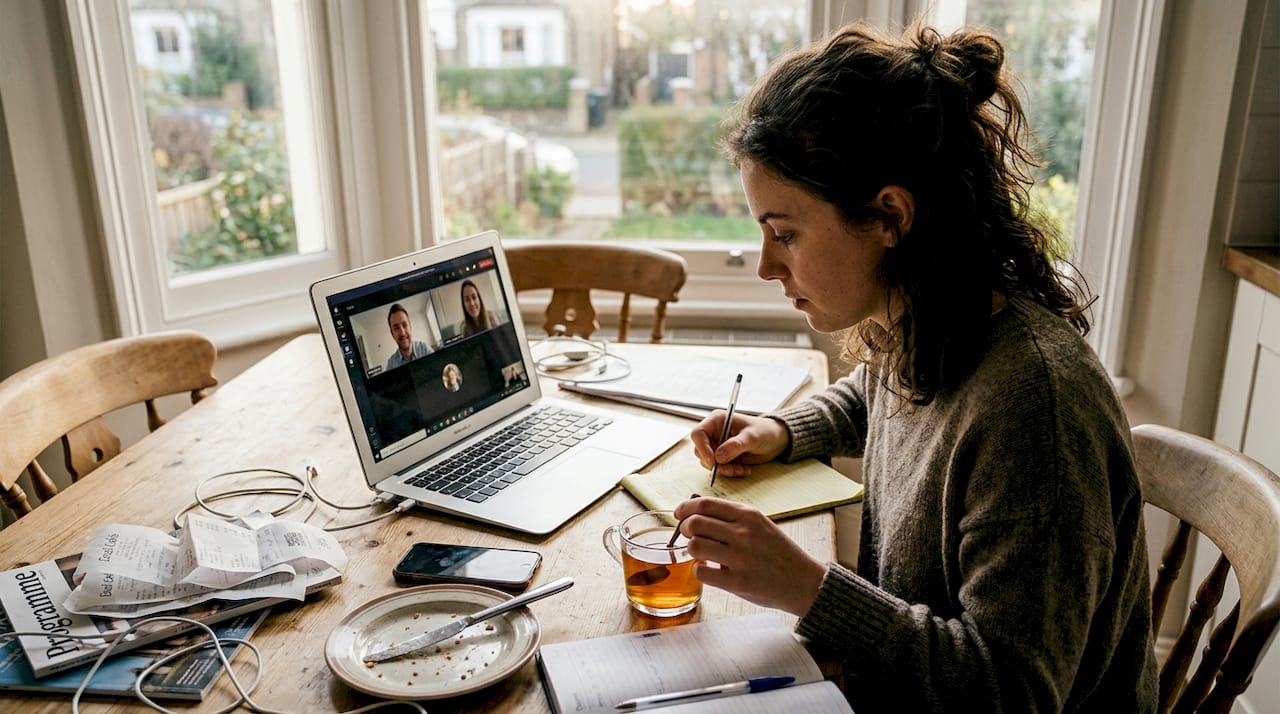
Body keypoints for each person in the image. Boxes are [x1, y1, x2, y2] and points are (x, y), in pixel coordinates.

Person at [674, 21, 1158, 713]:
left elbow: (1012, 691)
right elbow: (875, 394)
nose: (765, 266)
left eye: (785, 234)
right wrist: (780, 431)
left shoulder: (1034, 409)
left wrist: (809, 589)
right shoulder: (930, 318)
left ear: (889, 215)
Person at [385, 303, 431, 370]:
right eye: (396, 328)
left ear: (410, 327)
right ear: (392, 334)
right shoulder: (391, 365)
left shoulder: (424, 349)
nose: (402, 333)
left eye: (405, 325)